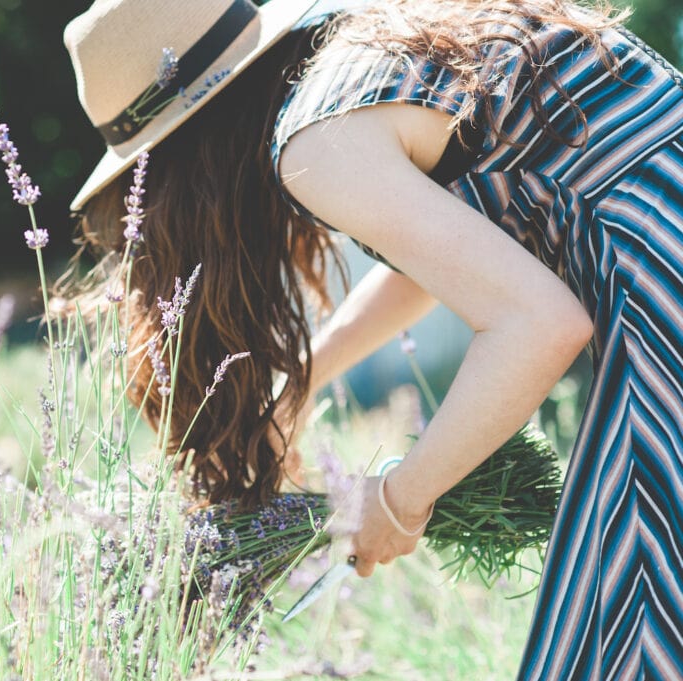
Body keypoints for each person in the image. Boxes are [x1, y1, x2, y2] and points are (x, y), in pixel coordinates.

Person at [61, 0, 683, 677]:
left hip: (662, 296)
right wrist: (302, 383)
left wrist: (400, 497)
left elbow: (540, 324)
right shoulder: (367, 58)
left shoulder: (316, 140)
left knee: (620, 635)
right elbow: (443, 261)